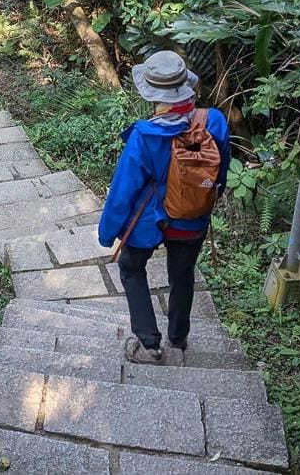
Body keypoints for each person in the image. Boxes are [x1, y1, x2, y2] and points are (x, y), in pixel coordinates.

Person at [98, 50, 231, 364]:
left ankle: (148, 343)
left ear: (152, 93)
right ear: (185, 86)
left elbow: (123, 190)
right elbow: (220, 174)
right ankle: (179, 338)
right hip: (192, 220)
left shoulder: (144, 135)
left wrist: (108, 233)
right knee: (182, 275)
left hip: (150, 222)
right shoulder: (213, 121)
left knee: (131, 268)